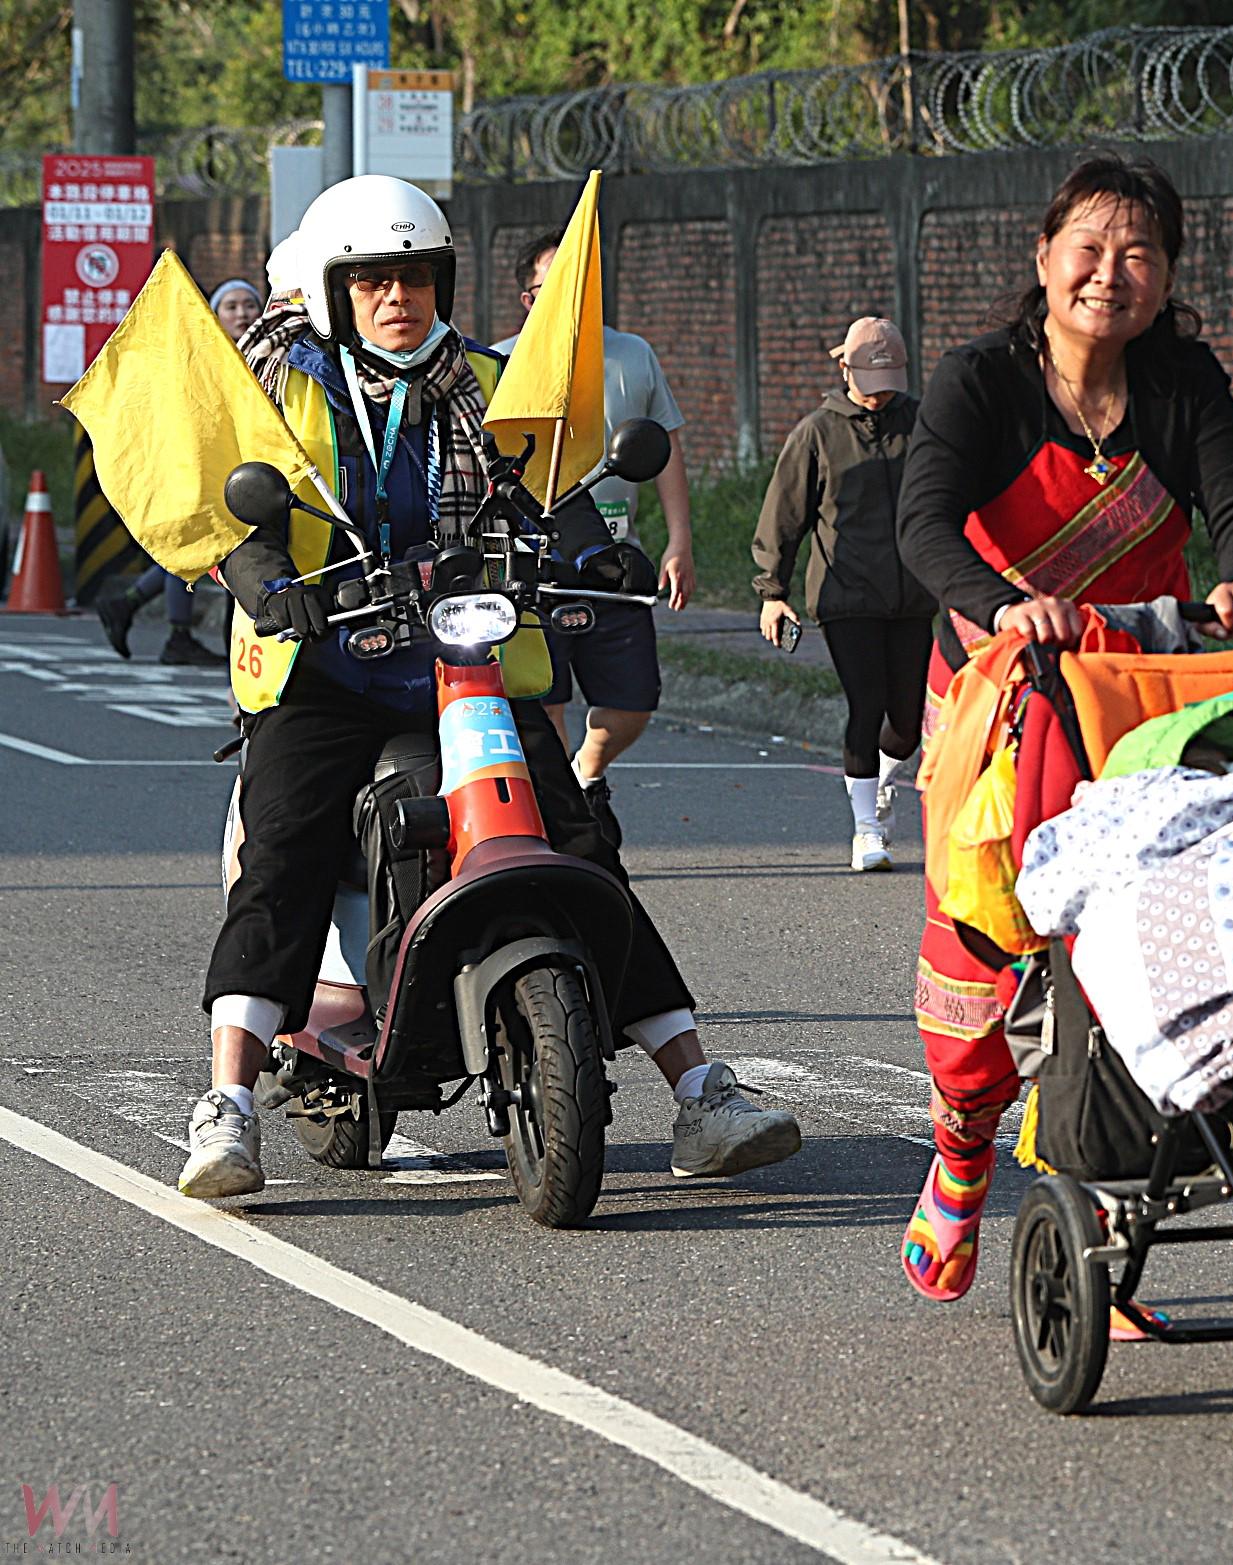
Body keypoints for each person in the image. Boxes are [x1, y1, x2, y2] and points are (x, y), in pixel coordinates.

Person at [177, 175, 798, 1199]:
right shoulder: (276, 382)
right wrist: (249, 568)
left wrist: (591, 555)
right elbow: (206, 495)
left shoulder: (488, 381)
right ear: (334, 293)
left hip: (458, 659)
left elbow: (537, 489)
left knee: (580, 837)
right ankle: (227, 1105)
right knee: (283, 853)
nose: (398, 298)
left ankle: (702, 1092)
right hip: (324, 667)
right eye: (373, 280)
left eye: (417, 277)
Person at [890, 152, 1233, 1299]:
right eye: (1091, 249)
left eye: (1140, 252)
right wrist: (1004, 604)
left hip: (1142, 701)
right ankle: (962, 1147)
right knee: (983, 942)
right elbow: (924, 526)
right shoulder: (979, 382)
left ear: (1165, 275)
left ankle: (1110, 1237)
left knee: (1144, 956)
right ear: (1044, 257)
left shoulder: (1184, 381)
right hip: (997, 695)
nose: (1113, 273)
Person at [494, 231, 698, 822]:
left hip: (617, 560)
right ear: (529, 298)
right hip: (534, 563)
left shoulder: (633, 355)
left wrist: (679, 540)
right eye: (555, 283)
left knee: (633, 702)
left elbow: (663, 449)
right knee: (547, 701)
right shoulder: (500, 362)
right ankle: (563, 815)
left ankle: (586, 772)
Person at [752, 316, 933, 872]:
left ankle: (880, 781)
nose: (880, 395)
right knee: (866, 703)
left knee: (906, 721)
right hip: (845, 595)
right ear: (844, 369)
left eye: (889, 381)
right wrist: (772, 590)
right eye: (870, 379)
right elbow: (784, 517)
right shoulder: (817, 433)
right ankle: (865, 830)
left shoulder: (922, 423)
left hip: (914, 594)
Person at [98, 277, 265, 666]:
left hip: (244, 471)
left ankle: (129, 605)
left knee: (202, 549)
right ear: (214, 314)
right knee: (196, 545)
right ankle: (175, 633)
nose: (242, 313)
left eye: (249, 305)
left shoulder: (266, 354)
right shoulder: (202, 357)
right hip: (201, 468)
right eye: (231, 306)